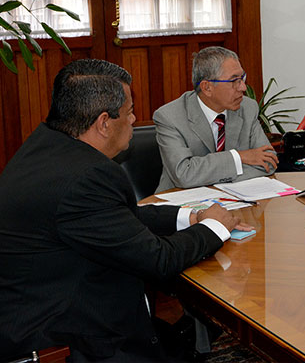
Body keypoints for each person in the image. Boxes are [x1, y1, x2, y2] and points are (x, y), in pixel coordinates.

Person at [0, 59, 251, 361]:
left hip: (60, 308)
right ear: (104, 123)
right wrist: (214, 227)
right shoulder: (87, 177)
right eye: (130, 111)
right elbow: (159, 260)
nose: (134, 119)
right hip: (70, 342)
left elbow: (116, 219)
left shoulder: (47, 146)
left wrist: (190, 217)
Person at [154, 46, 278, 192]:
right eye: (234, 81)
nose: (243, 87)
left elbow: (269, 161)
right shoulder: (170, 117)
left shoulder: (247, 108)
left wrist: (209, 175)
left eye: (242, 78)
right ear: (207, 87)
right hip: (180, 200)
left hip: (236, 198)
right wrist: (238, 157)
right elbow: (184, 174)